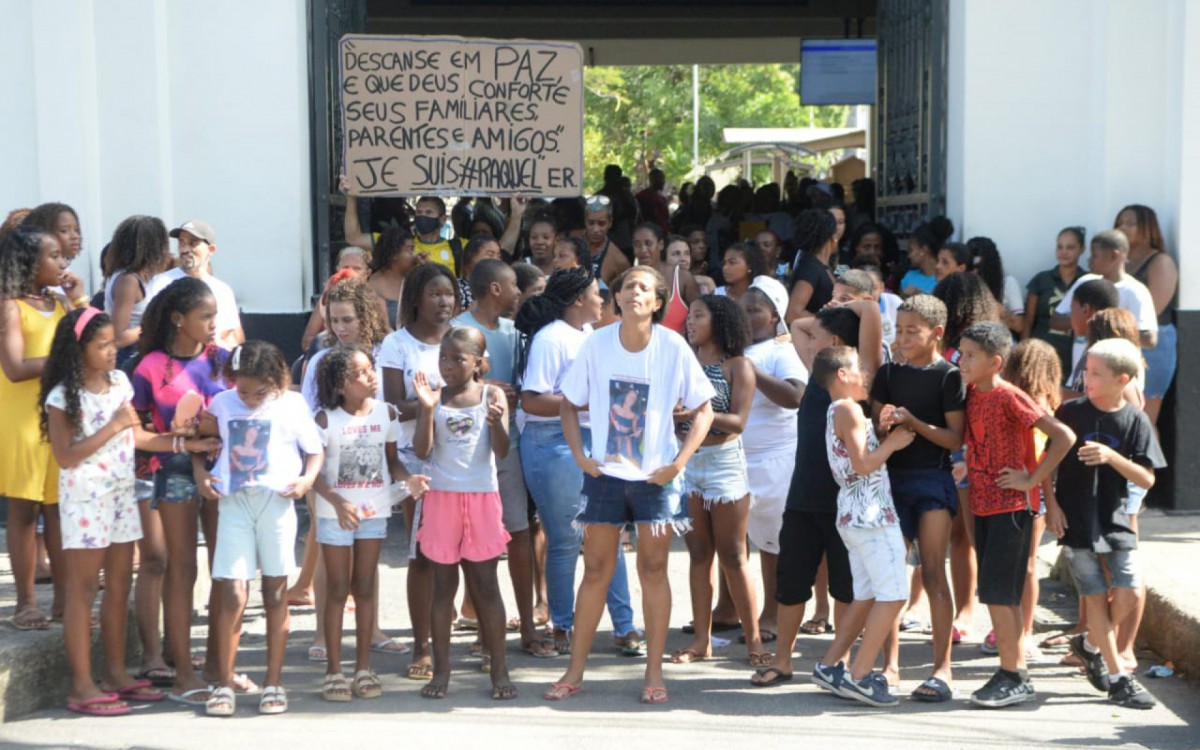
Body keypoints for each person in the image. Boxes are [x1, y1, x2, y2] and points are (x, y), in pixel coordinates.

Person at [545, 265, 715, 705]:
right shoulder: (596, 344)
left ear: (657, 302)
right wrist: (581, 456)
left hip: (655, 480)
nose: (634, 292)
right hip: (604, 477)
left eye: (644, 287)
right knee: (596, 571)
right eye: (627, 286)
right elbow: (569, 405)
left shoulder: (673, 346)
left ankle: (654, 673)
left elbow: (705, 411)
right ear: (616, 297)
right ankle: (574, 671)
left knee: (653, 571)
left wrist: (678, 464)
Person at [40, 308, 218, 716]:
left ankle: (116, 673)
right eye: (100, 345)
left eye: (111, 344)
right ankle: (82, 685)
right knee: (83, 590)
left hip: (121, 493)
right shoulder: (62, 395)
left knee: (121, 584)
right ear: (77, 349)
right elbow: (66, 457)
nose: (109, 352)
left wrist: (180, 445)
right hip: (86, 498)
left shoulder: (119, 381)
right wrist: (114, 426)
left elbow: (137, 435)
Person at [753, 302, 881, 688]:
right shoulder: (817, 376)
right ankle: (783, 661)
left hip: (845, 507)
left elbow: (871, 317)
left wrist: (853, 306)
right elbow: (797, 324)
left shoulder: (858, 384)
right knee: (791, 586)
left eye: (818, 338)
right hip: (802, 502)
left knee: (845, 587)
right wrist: (828, 318)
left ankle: (837, 663)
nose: (808, 344)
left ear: (837, 342)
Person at [193, 341, 324, 717]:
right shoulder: (221, 404)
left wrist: (305, 481)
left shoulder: (292, 405)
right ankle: (224, 681)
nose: (249, 398)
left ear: (278, 380)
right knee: (233, 592)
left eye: (259, 392)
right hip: (233, 505)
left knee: (275, 592)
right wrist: (203, 476)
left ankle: (274, 683)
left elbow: (314, 450)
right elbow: (201, 447)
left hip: (277, 504)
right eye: (242, 390)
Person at [517, 267, 639, 657]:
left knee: (608, 535)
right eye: (595, 293)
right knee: (567, 540)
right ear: (576, 301)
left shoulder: (589, 335)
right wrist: (590, 402)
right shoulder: (551, 339)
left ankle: (624, 627)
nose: (602, 299)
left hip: (592, 440)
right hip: (552, 443)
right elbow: (532, 400)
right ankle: (563, 628)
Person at [957, 321, 1074, 707]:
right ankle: (1013, 670)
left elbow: (1063, 436)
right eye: (962, 352)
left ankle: (1013, 674)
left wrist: (1032, 479)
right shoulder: (972, 392)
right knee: (995, 592)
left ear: (995, 361)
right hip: (984, 505)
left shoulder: (1011, 396)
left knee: (1000, 593)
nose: (962, 360)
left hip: (1012, 508)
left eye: (971, 355)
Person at [129, 277, 231, 704]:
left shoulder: (225, 359)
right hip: (172, 469)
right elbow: (135, 426)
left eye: (214, 315)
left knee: (225, 565)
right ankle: (184, 670)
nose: (213, 323)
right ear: (177, 318)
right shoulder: (149, 366)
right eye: (205, 316)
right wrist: (178, 438)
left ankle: (218, 666)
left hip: (225, 467)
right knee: (182, 567)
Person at [312, 345, 429, 702]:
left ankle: (363, 667)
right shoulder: (325, 420)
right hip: (335, 514)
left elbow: (391, 462)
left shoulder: (386, 414)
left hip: (374, 512)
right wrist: (338, 501)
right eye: (361, 373)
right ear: (339, 386)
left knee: (364, 588)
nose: (371, 377)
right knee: (336, 589)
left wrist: (408, 480)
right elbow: (314, 473)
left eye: (371, 370)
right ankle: (334, 670)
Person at [1052, 337, 1163, 710]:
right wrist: (1051, 506)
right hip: (1076, 520)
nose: (1087, 378)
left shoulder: (1135, 421)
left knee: (1129, 590)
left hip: (1115, 521)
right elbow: (1046, 463)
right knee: (1094, 594)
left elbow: (1147, 479)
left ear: (1124, 379)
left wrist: (1113, 457)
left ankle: (1089, 644)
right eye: (1086, 370)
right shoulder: (1069, 414)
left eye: (1097, 373)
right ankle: (1119, 678)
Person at [453, 259, 556, 658]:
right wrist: (481, 386)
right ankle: (484, 626)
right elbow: (450, 378)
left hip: (509, 443)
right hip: (469, 450)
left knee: (519, 532)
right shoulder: (461, 329)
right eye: (514, 285)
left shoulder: (516, 333)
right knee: (477, 539)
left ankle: (528, 627)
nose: (519, 293)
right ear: (495, 289)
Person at [411, 328, 516, 700]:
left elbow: (501, 451)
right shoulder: (435, 398)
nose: (449, 365)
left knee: (486, 586)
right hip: (442, 499)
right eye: (444, 358)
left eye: (458, 358)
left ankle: (499, 669)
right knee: (443, 587)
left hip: (482, 498)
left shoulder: (492, 395)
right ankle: (441, 671)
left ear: (477, 362)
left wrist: (495, 422)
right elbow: (422, 450)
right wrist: (425, 410)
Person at [869, 294, 965, 702]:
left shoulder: (949, 377)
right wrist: (885, 422)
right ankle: (889, 666)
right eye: (899, 330)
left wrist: (913, 423)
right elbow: (875, 429)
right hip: (891, 480)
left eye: (913, 331)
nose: (903, 337)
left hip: (932, 480)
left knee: (931, 570)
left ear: (936, 334)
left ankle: (942, 668)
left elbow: (954, 437)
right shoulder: (887, 373)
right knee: (891, 575)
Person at [815, 346, 914, 706]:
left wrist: (880, 431)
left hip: (853, 515)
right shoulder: (850, 410)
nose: (865, 373)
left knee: (868, 594)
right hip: (872, 516)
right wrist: (893, 442)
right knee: (894, 594)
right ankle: (859, 675)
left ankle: (830, 666)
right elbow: (862, 464)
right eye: (858, 367)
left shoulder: (836, 411)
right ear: (842, 375)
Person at [673, 295, 767, 666]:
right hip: (688, 464)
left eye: (699, 315)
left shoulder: (738, 365)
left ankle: (755, 639)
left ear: (722, 321)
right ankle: (701, 640)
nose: (690, 322)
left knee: (733, 555)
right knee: (698, 555)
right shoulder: (684, 361)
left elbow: (739, 422)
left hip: (725, 463)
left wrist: (697, 414)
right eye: (690, 316)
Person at [378, 262, 460, 680]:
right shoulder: (397, 345)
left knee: (462, 551)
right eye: (434, 294)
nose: (444, 302)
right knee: (424, 552)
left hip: (461, 455)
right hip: (416, 456)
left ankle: (460, 638)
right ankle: (422, 644)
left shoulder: (464, 339)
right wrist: (438, 398)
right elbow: (391, 408)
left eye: (448, 293)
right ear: (415, 299)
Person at [1, 225, 85, 630]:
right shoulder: (11, 306)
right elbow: (15, 368)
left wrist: (77, 299)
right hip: (21, 420)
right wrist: (62, 362)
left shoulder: (60, 304)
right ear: (30, 263)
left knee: (58, 510)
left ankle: (64, 602)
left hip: (56, 417)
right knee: (24, 510)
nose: (62, 262)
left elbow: (87, 341)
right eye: (53, 256)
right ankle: (26, 602)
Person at [739, 279, 806, 640]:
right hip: (736, 459)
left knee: (773, 543)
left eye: (755, 311)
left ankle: (774, 610)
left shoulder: (781, 350)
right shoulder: (731, 349)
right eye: (743, 309)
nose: (746, 316)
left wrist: (753, 371)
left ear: (774, 316)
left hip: (776, 460)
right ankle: (731, 608)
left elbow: (796, 396)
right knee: (735, 542)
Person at [1000, 338, 1063, 665]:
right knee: (1019, 565)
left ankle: (1022, 633)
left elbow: (1040, 456)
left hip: (1027, 491)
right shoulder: (1036, 401)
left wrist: (1042, 493)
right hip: (1023, 489)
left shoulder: (1032, 403)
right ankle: (1013, 628)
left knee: (1024, 565)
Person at [1117, 204, 1177, 426]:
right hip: (1123, 344)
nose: (1123, 227)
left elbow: (1153, 312)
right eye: (1120, 223)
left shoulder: (1161, 262)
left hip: (1153, 346)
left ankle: (1149, 462)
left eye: (1130, 223)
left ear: (1148, 227)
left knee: (1144, 422)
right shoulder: (1121, 263)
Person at [145, 219, 244, 350]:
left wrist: (219, 346)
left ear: (211, 250)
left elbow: (233, 338)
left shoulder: (222, 290)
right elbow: (150, 328)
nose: (185, 249)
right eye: (182, 243)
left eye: (193, 243)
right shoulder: (160, 283)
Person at [1052, 229, 1157, 351]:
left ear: (1114, 256)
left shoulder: (1135, 291)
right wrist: (1082, 321)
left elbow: (1149, 339)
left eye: (1095, 255)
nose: (1089, 260)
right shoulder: (1085, 282)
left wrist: (1105, 327)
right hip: (1082, 366)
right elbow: (1056, 320)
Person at [104, 216, 171, 368]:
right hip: (129, 356)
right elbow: (118, 336)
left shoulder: (126, 276)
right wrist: (154, 325)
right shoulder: (128, 281)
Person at [1024, 227, 1085, 378]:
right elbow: (1028, 321)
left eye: (1070, 247)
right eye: (1060, 247)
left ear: (1082, 249)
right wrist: (1024, 351)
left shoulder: (1087, 281)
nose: (1064, 252)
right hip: (1042, 350)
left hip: (1073, 353)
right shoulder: (1041, 279)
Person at [631, 222, 699, 336]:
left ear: (661, 244)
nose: (643, 250)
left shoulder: (682, 277)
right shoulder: (629, 280)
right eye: (637, 245)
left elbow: (701, 316)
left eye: (648, 243)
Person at [786, 209, 838, 323]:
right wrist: (829, 323)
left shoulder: (821, 266)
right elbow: (793, 313)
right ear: (833, 236)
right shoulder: (811, 269)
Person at [968, 237, 1024, 337]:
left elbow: (1019, 326)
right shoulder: (963, 283)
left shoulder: (1007, 282)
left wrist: (997, 308)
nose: (974, 271)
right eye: (971, 266)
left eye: (978, 266)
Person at [366, 227, 418, 330]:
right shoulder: (372, 284)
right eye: (410, 250)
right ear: (394, 254)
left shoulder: (415, 280)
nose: (414, 255)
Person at [584, 195, 632, 286]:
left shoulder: (619, 260)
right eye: (591, 223)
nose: (596, 229)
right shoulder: (572, 246)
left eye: (601, 224)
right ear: (585, 221)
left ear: (610, 223)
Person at [456, 235, 502, 309]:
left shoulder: (499, 289)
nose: (496, 260)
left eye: (498, 256)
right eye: (490, 255)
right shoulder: (456, 288)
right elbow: (452, 320)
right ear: (470, 257)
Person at [900, 224, 941, 297]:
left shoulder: (944, 278)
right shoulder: (909, 277)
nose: (909, 256)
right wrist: (904, 295)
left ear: (924, 250)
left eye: (911, 250)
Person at [636, 168, 670, 234]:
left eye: (663, 178)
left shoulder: (663, 199)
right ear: (652, 179)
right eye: (661, 178)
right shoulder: (641, 197)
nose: (663, 181)